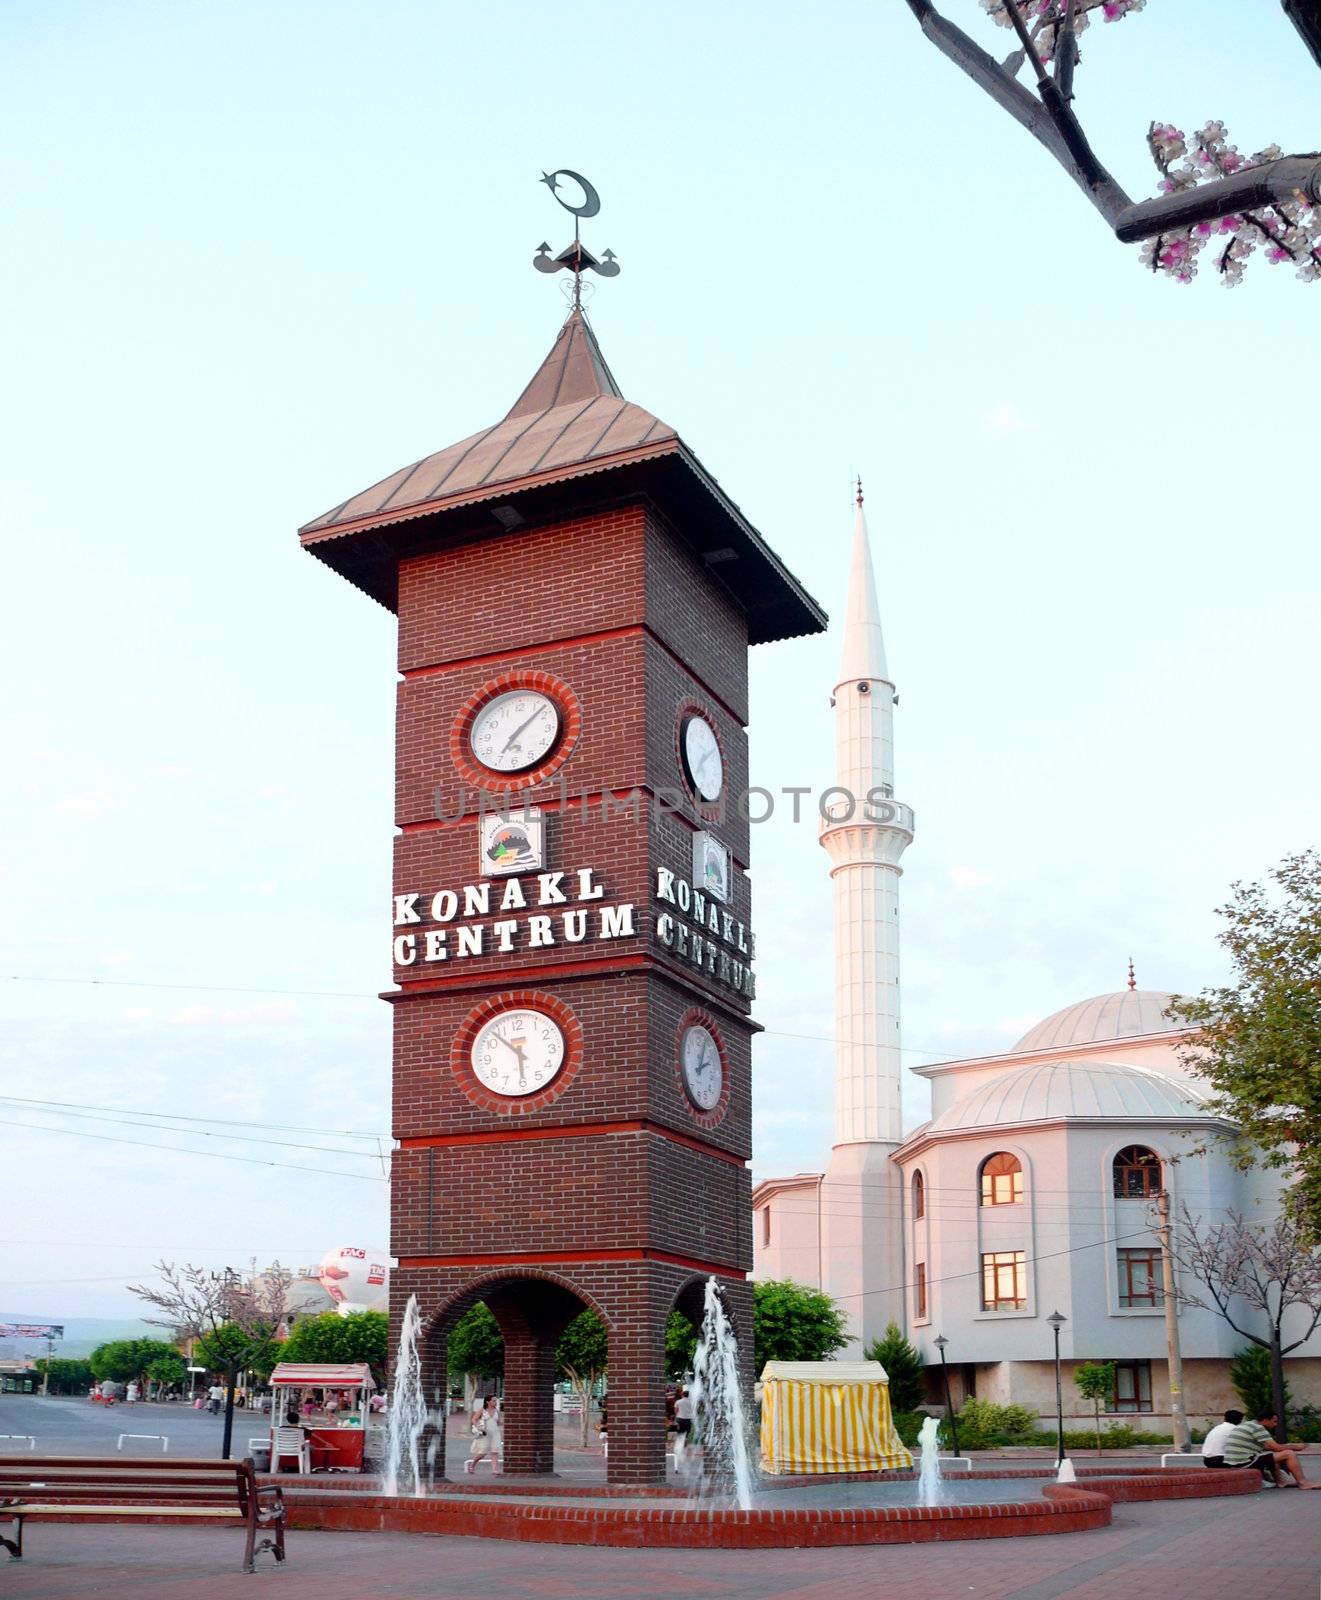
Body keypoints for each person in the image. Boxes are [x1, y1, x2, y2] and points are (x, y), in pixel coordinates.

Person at [1222, 1411, 1320, 1488]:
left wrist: (1288, 1446)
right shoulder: (1258, 1428)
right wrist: (1295, 1447)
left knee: (1272, 1455)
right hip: (1243, 1462)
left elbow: (1269, 1447)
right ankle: (1303, 1483)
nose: (1276, 1424)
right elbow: (1277, 1447)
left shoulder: (1248, 1424)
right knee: (1289, 1453)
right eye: (1274, 1421)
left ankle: (1281, 1482)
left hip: (1233, 1462)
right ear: (1265, 1420)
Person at [464, 1395, 502, 1475]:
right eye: (493, 1401)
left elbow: (498, 1422)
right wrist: (478, 1427)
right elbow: (474, 1419)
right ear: (488, 1402)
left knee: (495, 1451)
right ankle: (472, 1464)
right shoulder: (482, 1410)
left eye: (496, 1401)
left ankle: (494, 1470)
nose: (495, 1402)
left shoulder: (497, 1411)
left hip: (495, 1433)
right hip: (485, 1433)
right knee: (483, 1452)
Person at [673, 1385, 694, 1466]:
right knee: (686, 1436)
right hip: (688, 1420)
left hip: (680, 1420)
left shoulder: (678, 1402)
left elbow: (675, 1411)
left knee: (679, 1435)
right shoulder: (691, 1402)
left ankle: (678, 1449)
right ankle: (684, 1450)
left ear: (682, 1394)